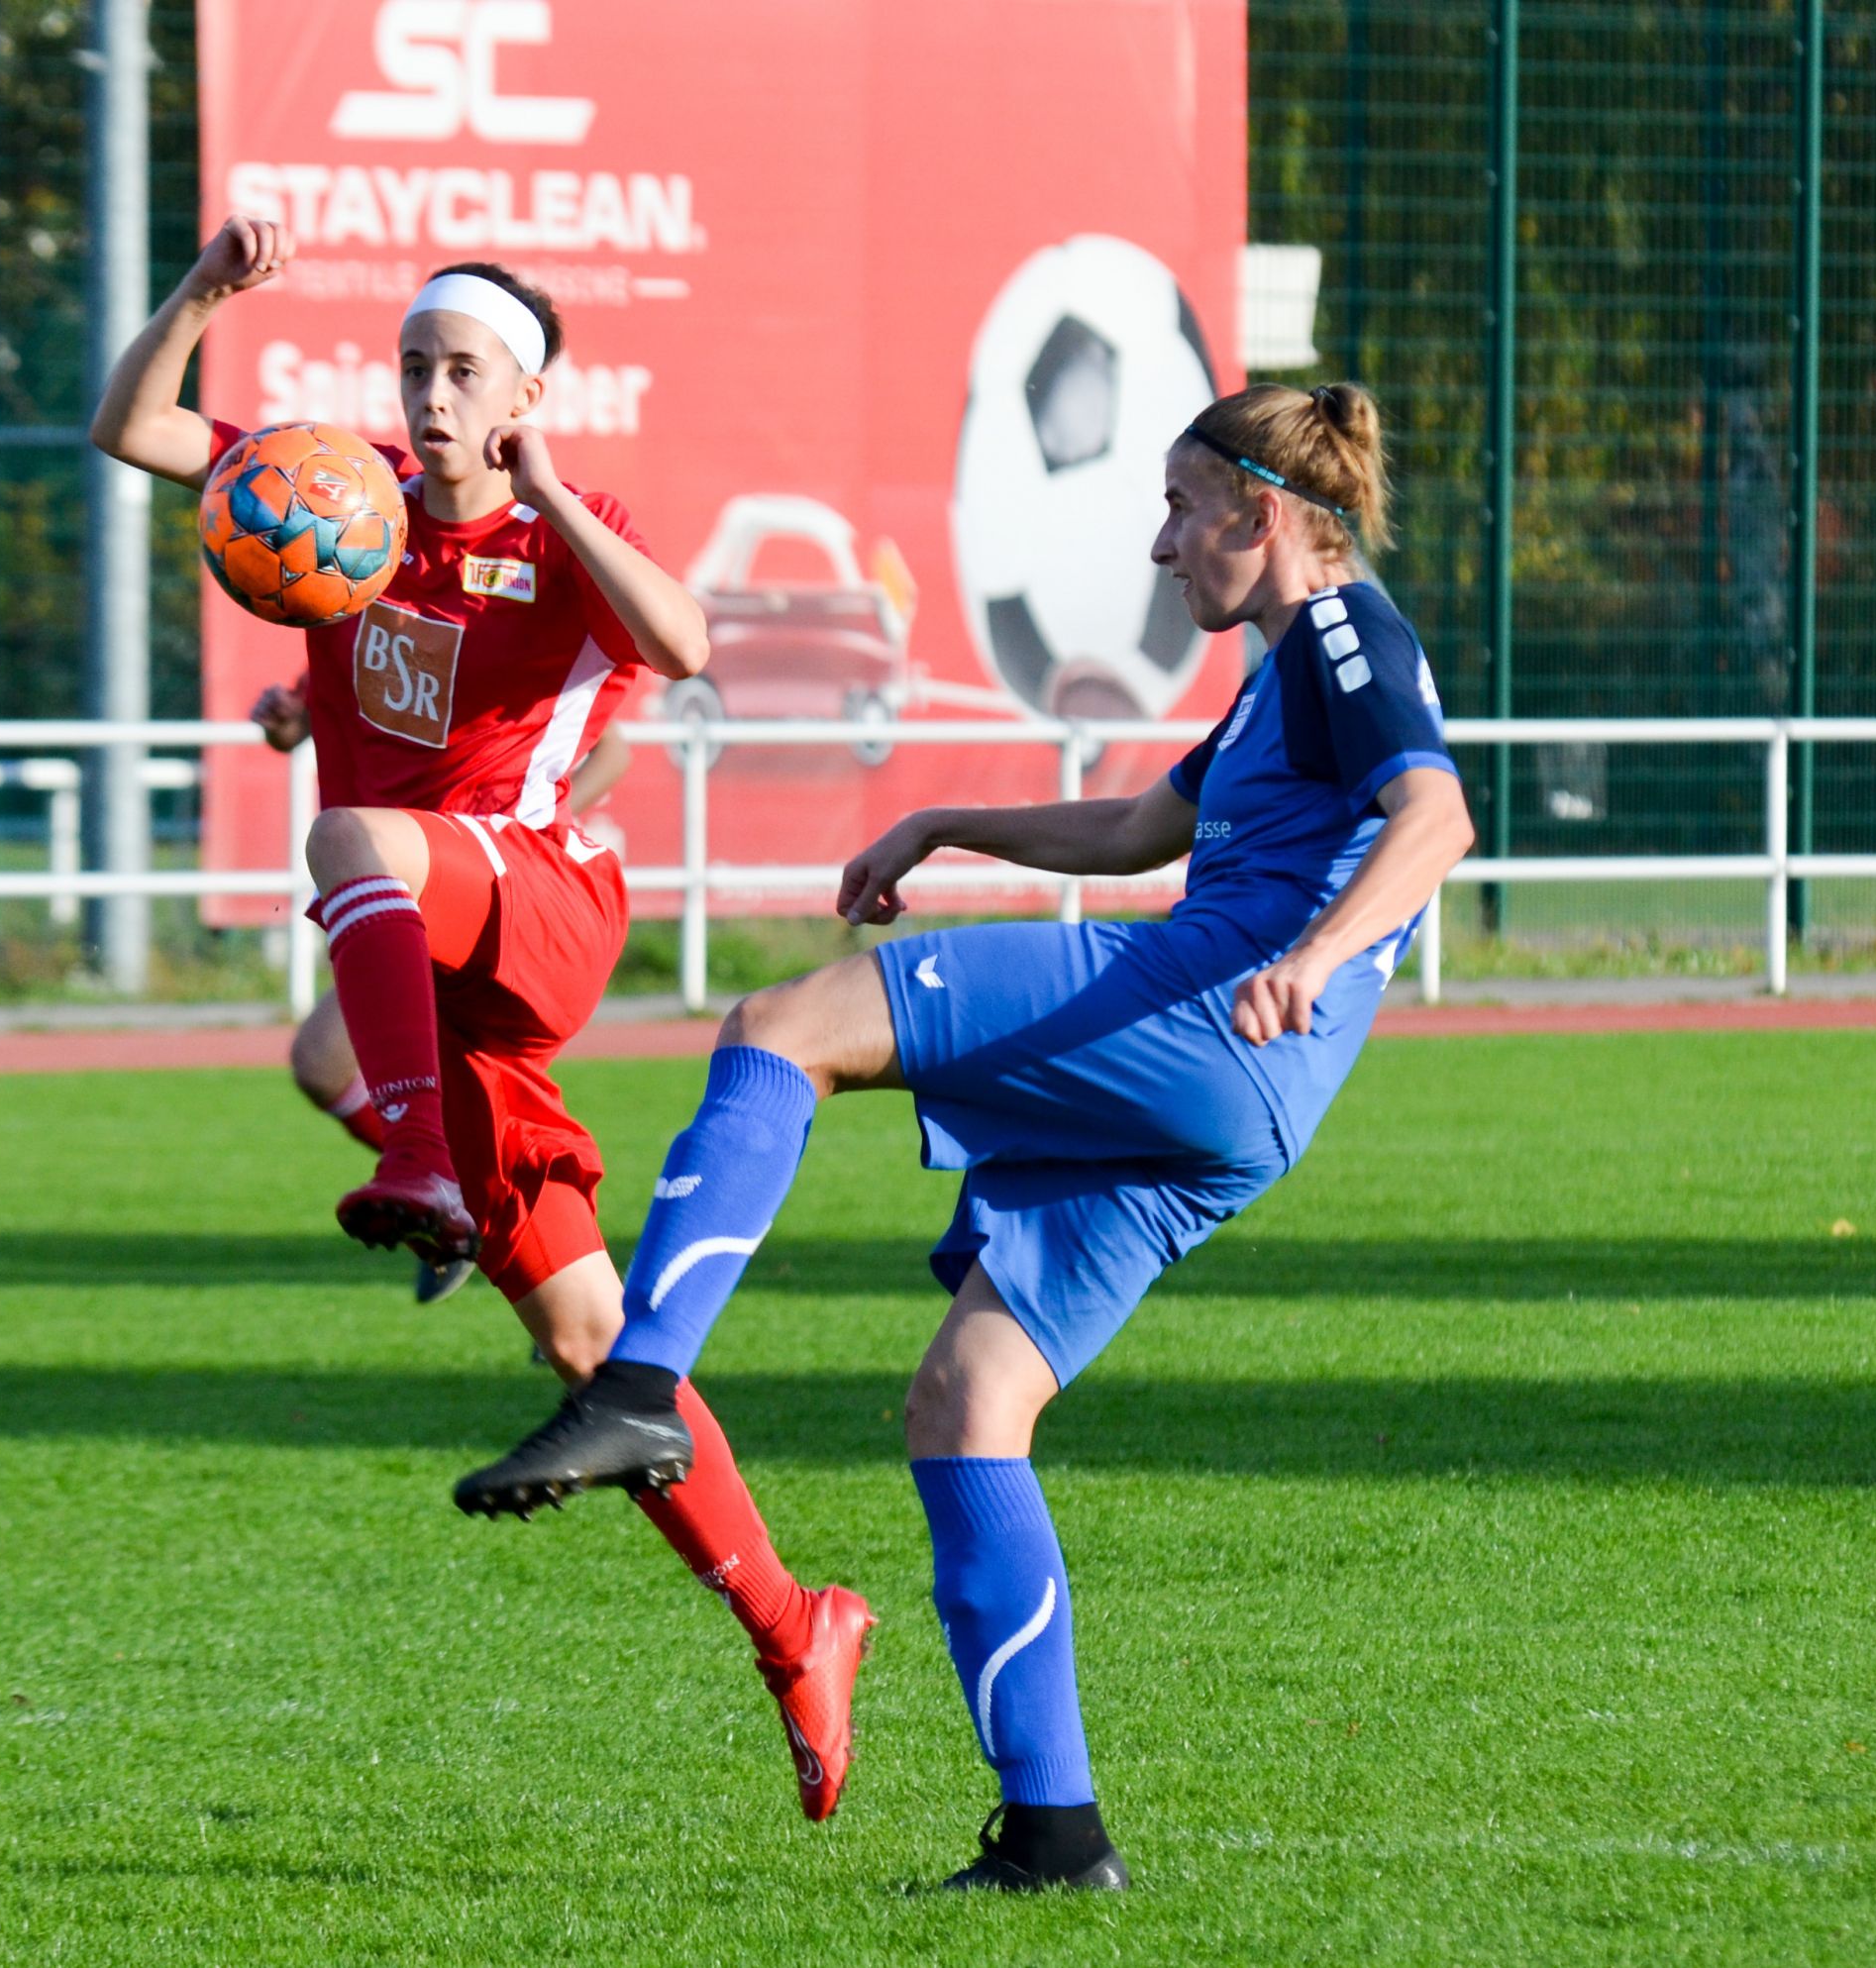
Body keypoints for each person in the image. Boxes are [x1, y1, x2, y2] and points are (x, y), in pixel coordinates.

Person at [454, 381, 1475, 1889]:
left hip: (1206, 1017)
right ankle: (1055, 1835)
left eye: (1186, 510)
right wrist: (945, 823)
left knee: (779, 1026)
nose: (1160, 544)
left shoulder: (1338, 632)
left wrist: (1313, 962)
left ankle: (642, 1380)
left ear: (1266, 516)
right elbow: (1142, 830)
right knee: (968, 1397)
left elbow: (1438, 816)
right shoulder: (1287, 669)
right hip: (1247, 1101)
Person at [90, 216, 874, 1819]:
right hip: (435, 965)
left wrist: (558, 489)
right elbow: (133, 431)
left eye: (464, 371)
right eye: (416, 367)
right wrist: (200, 298)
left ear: (520, 391)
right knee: (595, 1344)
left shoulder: (566, 534)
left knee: (351, 855)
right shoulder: (344, 499)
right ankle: (795, 1619)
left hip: (542, 903)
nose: (430, 395)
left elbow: (689, 644)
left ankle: (428, 1175)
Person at [269, 724, 634, 1307]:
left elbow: (612, 747)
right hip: (397, 885)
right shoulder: (351, 633)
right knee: (320, 1062)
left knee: (501, 1128)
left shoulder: (505, 634)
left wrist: (525, 827)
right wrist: (294, 712)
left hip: (484, 886)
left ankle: (538, 1254)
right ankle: (452, 1191)